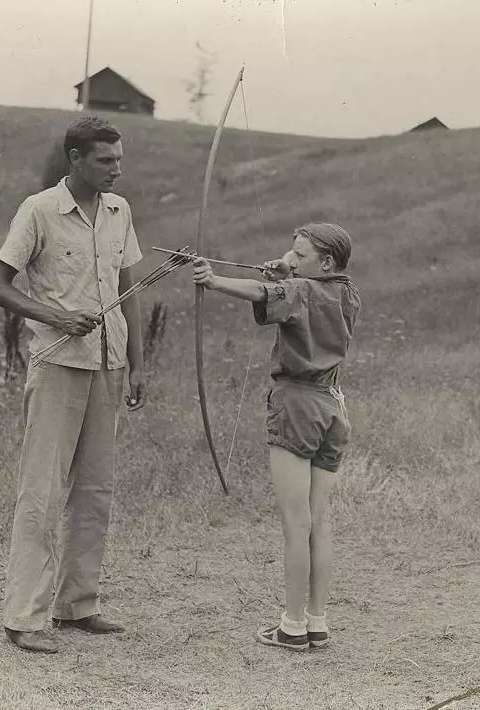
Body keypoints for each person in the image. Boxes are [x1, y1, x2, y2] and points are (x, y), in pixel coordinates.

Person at [0, 116, 146, 654]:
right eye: (105, 160)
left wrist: (139, 363)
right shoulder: (38, 211)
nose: (115, 169)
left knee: (96, 490)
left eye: (118, 160)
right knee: (43, 489)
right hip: (57, 366)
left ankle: (78, 605)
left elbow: (130, 292)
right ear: (74, 159)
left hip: (109, 366)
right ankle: (23, 617)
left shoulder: (121, 212)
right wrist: (53, 316)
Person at [193, 223, 361, 651]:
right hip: (332, 407)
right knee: (318, 521)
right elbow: (295, 293)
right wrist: (287, 268)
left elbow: (264, 294)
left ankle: (291, 625)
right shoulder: (346, 292)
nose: (291, 257)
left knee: (296, 522)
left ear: (325, 262)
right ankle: (317, 623)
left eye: (300, 254)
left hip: (297, 405)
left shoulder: (302, 291)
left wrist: (212, 281)